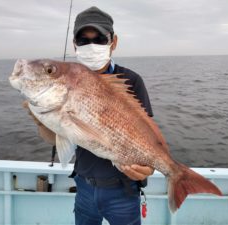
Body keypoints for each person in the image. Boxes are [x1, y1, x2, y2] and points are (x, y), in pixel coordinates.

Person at [25, 6, 154, 225]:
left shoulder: (131, 81)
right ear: (75, 44)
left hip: (122, 190)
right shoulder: (63, 81)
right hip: (84, 188)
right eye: (83, 40)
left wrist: (148, 169)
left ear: (113, 42)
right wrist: (40, 120)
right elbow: (59, 137)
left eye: (99, 39)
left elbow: (147, 136)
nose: (91, 45)